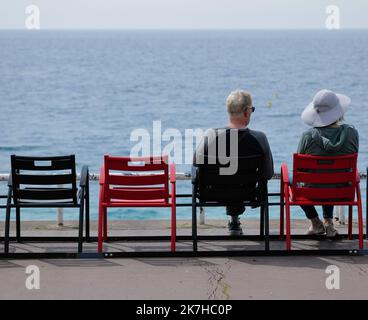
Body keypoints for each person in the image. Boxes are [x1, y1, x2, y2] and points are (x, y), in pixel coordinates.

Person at [194, 90, 274, 235]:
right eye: (252, 110)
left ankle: (234, 220)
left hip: (212, 194)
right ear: (246, 112)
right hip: (247, 193)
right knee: (236, 182)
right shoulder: (260, 139)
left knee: (228, 180)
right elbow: (267, 174)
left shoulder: (209, 136)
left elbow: (195, 163)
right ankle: (235, 220)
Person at [298, 89, 359, 237]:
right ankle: (329, 223)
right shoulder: (352, 133)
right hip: (343, 192)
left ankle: (315, 222)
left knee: (296, 180)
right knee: (331, 175)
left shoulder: (307, 136)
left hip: (311, 193)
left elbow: (300, 169)